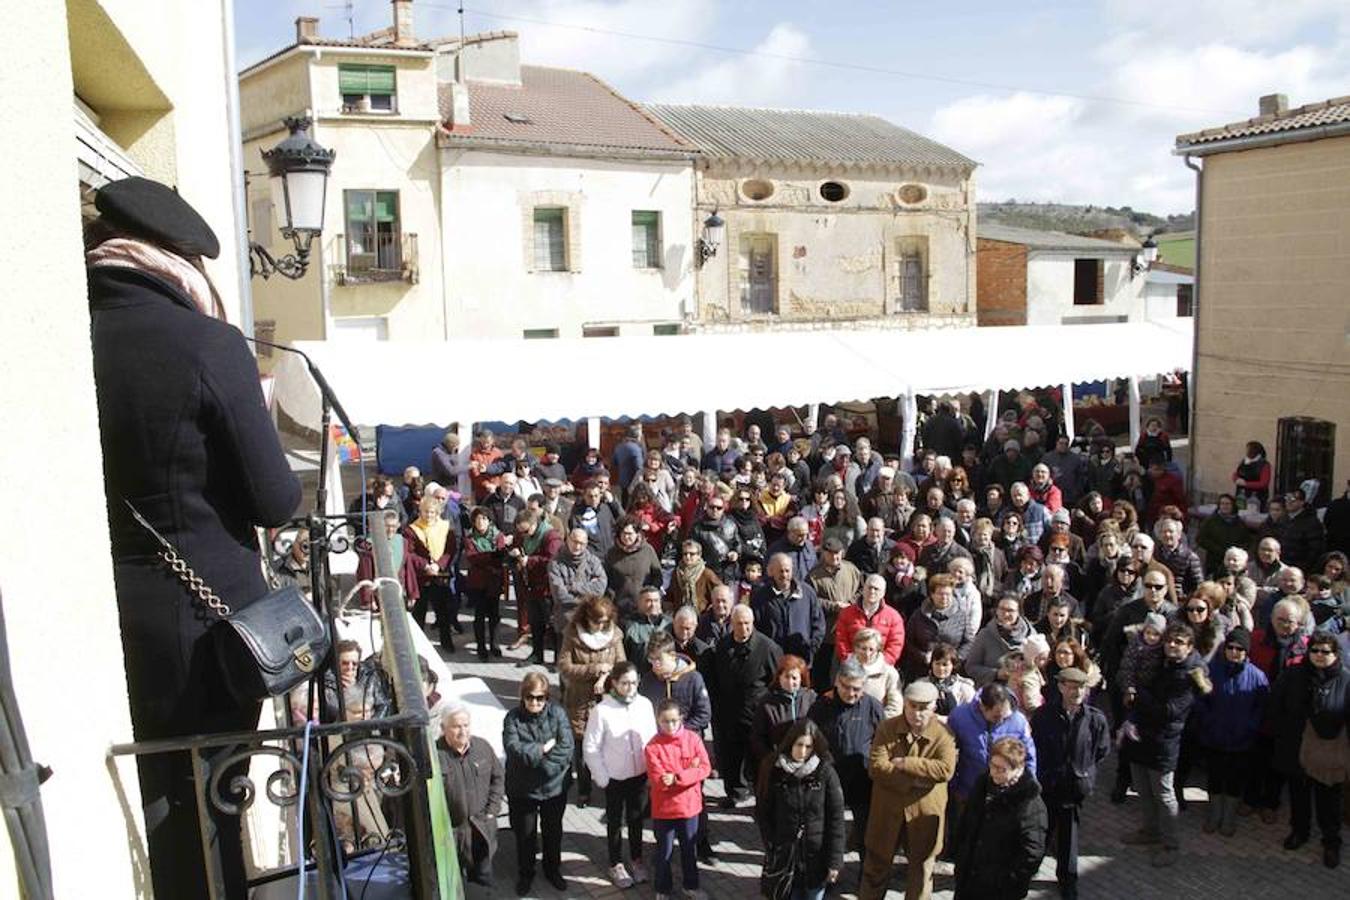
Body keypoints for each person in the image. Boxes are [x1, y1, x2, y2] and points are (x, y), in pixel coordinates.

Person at [1120, 622, 1210, 868]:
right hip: (1142, 737)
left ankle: (1171, 844)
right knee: (1142, 789)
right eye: (1170, 640)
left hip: (1164, 742)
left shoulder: (1191, 675)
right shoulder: (1161, 662)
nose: (1172, 645)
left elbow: (1169, 711)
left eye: (1179, 642)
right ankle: (1150, 831)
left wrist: (1140, 695)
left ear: (1190, 647)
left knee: (1164, 794)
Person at [860, 681, 957, 900]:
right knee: (876, 866)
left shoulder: (943, 734)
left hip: (923, 815)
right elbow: (877, 767)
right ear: (904, 704)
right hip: (887, 811)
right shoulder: (887, 728)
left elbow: (945, 769)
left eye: (923, 707)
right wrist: (914, 782)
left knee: (921, 872)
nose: (917, 713)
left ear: (934, 707)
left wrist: (906, 763)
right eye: (912, 706)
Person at [1265, 631, 1349, 868]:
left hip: (1328, 750)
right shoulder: (1293, 675)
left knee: (1328, 799)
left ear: (1335, 653)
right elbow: (1276, 705)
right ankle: (1299, 831)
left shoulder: (1345, 680)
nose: (1320, 655)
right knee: (1299, 794)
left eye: (1326, 651)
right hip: (1296, 747)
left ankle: (1331, 841)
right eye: (1315, 650)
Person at [1031, 668, 1110, 899]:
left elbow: (1101, 750)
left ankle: (1067, 879)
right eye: (1072, 687)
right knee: (1040, 830)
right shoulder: (1044, 715)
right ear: (1061, 687)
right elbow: (1035, 747)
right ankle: (1030, 868)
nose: (1077, 692)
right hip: (1047, 784)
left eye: (1081, 687)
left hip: (1074, 787)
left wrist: (1084, 773)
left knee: (1068, 836)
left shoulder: (1095, 718)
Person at [583, 661, 657, 888]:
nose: (630, 688)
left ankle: (636, 859)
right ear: (614, 683)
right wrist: (602, 777)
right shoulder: (602, 711)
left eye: (634, 683)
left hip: (640, 775)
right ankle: (615, 862)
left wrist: (653, 771)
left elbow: (652, 737)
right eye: (625, 683)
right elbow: (591, 748)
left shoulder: (644, 704)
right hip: (614, 777)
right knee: (615, 821)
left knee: (636, 819)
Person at [756, 719, 846, 900]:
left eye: (809, 746)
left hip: (817, 860)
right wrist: (773, 845)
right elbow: (763, 812)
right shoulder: (774, 771)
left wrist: (835, 862)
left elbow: (836, 819)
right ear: (789, 742)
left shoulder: (825, 773)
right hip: (786, 860)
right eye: (799, 745)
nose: (803, 751)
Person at [951, 736, 1048, 900]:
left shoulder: (1030, 803)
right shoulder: (983, 784)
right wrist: (960, 856)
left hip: (1000, 889)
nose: (994, 772)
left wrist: (1009, 881)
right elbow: (967, 822)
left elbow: (1032, 853)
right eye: (992, 765)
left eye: (1001, 769)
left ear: (1018, 769)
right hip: (970, 879)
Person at [503, 672, 573, 895]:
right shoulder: (512, 718)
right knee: (525, 835)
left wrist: (542, 765)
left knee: (553, 832)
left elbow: (566, 748)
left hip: (554, 788)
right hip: (523, 789)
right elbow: (514, 750)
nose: (535, 702)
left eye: (540, 698)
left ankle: (552, 869)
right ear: (523, 696)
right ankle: (526, 873)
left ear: (547, 697)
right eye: (530, 697)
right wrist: (542, 749)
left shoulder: (558, 714)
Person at [1194, 626, 1268, 837]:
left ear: (1247, 652)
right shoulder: (1211, 670)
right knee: (1215, 776)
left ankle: (1229, 816)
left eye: (1240, 649)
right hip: (1214, 736)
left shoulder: (1257, 676)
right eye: (1230, 647)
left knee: (1235, 779)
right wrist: (1208, 721)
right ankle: (1215, 813)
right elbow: (1201, 700)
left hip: (1242, 740)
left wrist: (1250, 727)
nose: (1234, 652)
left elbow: (1261, 707)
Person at [557, 595, 625, 806]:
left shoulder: (614, 636)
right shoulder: (572, 634)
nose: (601, 626)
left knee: (609, 744)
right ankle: (584, 790)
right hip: (579, 699)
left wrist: (606, 676)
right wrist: (593, 669)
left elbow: (621, 664)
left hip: (606, 699)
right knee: (582, 747)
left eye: (605, 622)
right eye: (597, 622)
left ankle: (608, 786)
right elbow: (564, 667)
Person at [713, 605, 783, 807]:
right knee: (731, 756)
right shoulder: (724, 645)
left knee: (758, 757)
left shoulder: (768, 648)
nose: (743, 628)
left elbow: (776, 680)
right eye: (738, 624)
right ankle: (735, 793)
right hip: (730, 712)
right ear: (731, 624)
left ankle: (761, 795)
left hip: (756, 713)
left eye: (747, 624)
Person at [645, 699, 713, 900]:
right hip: (664, 810)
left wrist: (677, 777)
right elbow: (659, 781)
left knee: (688, 851)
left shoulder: (693, 739)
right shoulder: (652, 747)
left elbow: (705, 768)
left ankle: (691, 886)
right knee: (664, 852)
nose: (671, 726)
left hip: (690, 809)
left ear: (681, 718)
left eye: (674, 720)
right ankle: (662, 889)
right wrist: (689, 771)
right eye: (666, 721)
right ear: (658, 720)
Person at [437, 705, 504, 888]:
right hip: (453, 834)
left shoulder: (482, 747)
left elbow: (497, 778)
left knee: (484, 879)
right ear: (443, 729)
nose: (463, 731)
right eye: (456, 726)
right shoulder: (435, 756)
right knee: (455, 884)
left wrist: (492, 810)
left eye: (466, 725)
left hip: (482, 830)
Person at [751, 553, 827, 664]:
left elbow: (819, 623)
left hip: (801, 660)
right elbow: (755, 627)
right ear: (771, 572)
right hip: (772, 661)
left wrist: (811, 648)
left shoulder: (807, 593)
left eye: (787, 571)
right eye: (780, 571)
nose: (784, 575)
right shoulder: (761, 596)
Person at [509, 509, 561, 666]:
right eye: (520, 532)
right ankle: (536, 654)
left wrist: (530, 560)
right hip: (530, 586)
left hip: (547, 587)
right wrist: (514, 553)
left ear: (534, 524)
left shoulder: (551, 536)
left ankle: (559, 659)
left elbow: (552, 559)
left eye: (526, 531)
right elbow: (516, 548)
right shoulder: (522, 536)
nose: (523, 535)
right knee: (535, 622)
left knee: (553, 625)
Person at [547, 528, 608, 647]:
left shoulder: (593, 561)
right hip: (566, 618)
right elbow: (560, 596)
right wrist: (587, 596)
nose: (577, 546)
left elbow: (600, 587)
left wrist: (574, 587)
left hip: (588, 618)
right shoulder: (555, 563)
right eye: (575, 541)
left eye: (581, 543)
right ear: (568, 540)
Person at [967, 595, 1034, 686]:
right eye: (1002, 609)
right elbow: (971, 667)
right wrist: (996, 674)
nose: (1006, 614)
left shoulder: (1031, 635)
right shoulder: (985, 635)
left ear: (1018, 612)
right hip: (992, 692)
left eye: (1010, 611)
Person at [606, 516, 664, 619]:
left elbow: (657, 576)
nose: (626, 537)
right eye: (624, 533)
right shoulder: (611, 554)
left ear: (637, 534)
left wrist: (650, 595)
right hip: (620, 606)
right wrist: (612, 597)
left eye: (630, 534)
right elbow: (607, 579)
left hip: (644, 605)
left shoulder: (647, 550)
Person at [667, 540, 723, 613]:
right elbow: (670, 594)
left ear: (699, 555)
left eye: (692, 554)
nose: (688, 556)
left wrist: (711, 609)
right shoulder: (677, 573)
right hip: (681, 615)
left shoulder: (706, 573)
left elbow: (720, 591)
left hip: (701, 616)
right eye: (685, 554)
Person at [623, 586, 672, 671]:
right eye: (648, 601)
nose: (653, 604)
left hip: (665, 675)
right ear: (639, 603)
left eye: (656, 601)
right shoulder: (629, 625)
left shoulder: (670, 623)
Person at [1282, 488, 1328, 573]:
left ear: (1302, 502)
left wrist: (1302, 569)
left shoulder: (1312, 523)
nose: (1289, 502)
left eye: (1293, 500)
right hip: (1282, 567)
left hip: (1300, 569)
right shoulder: (1283, 519)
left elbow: (1315, 551)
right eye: (1287, 499)